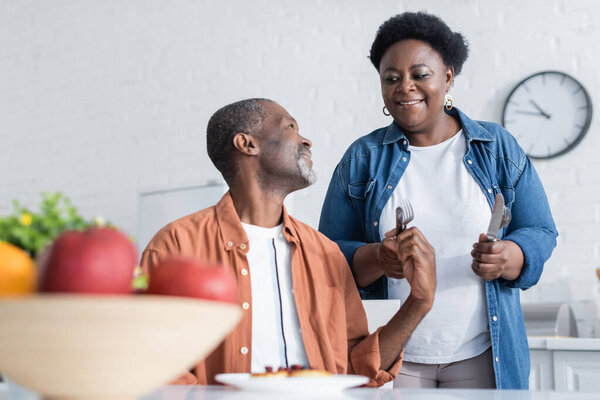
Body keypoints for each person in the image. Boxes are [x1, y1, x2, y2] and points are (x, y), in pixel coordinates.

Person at [319, 12, 557, 390]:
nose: (405, 87)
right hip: (394, 357)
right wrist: (378, 257)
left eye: (419, 74)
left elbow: (540, 229)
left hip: (482, 352)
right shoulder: (361, 159)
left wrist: (509, 256)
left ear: (447, 76)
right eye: (391, 78)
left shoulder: (495, 148)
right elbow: (326, 259)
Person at [140, 98, 437, 386]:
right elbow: (155, 361)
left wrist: (419, 303)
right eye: (290, 127)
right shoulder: (176, 246)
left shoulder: (325, 252)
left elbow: (358, 368)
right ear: (247, 144)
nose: (307, 141)